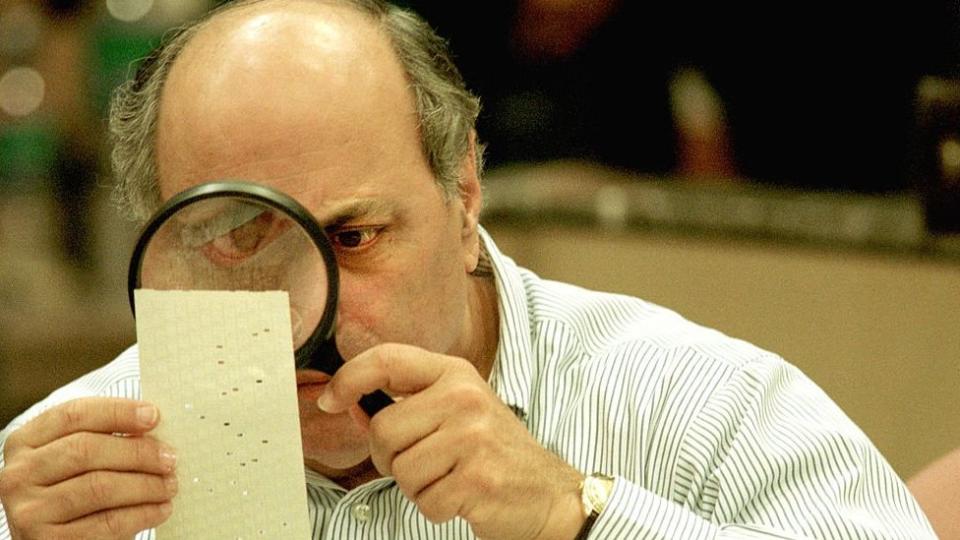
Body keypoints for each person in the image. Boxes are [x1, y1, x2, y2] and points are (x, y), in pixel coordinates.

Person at [0, 0, 936, 538]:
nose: (300, 314)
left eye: (356, 239)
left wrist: (581, 517)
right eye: (238, 242)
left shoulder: (701, 411)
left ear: (463, 197)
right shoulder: (63, 477)